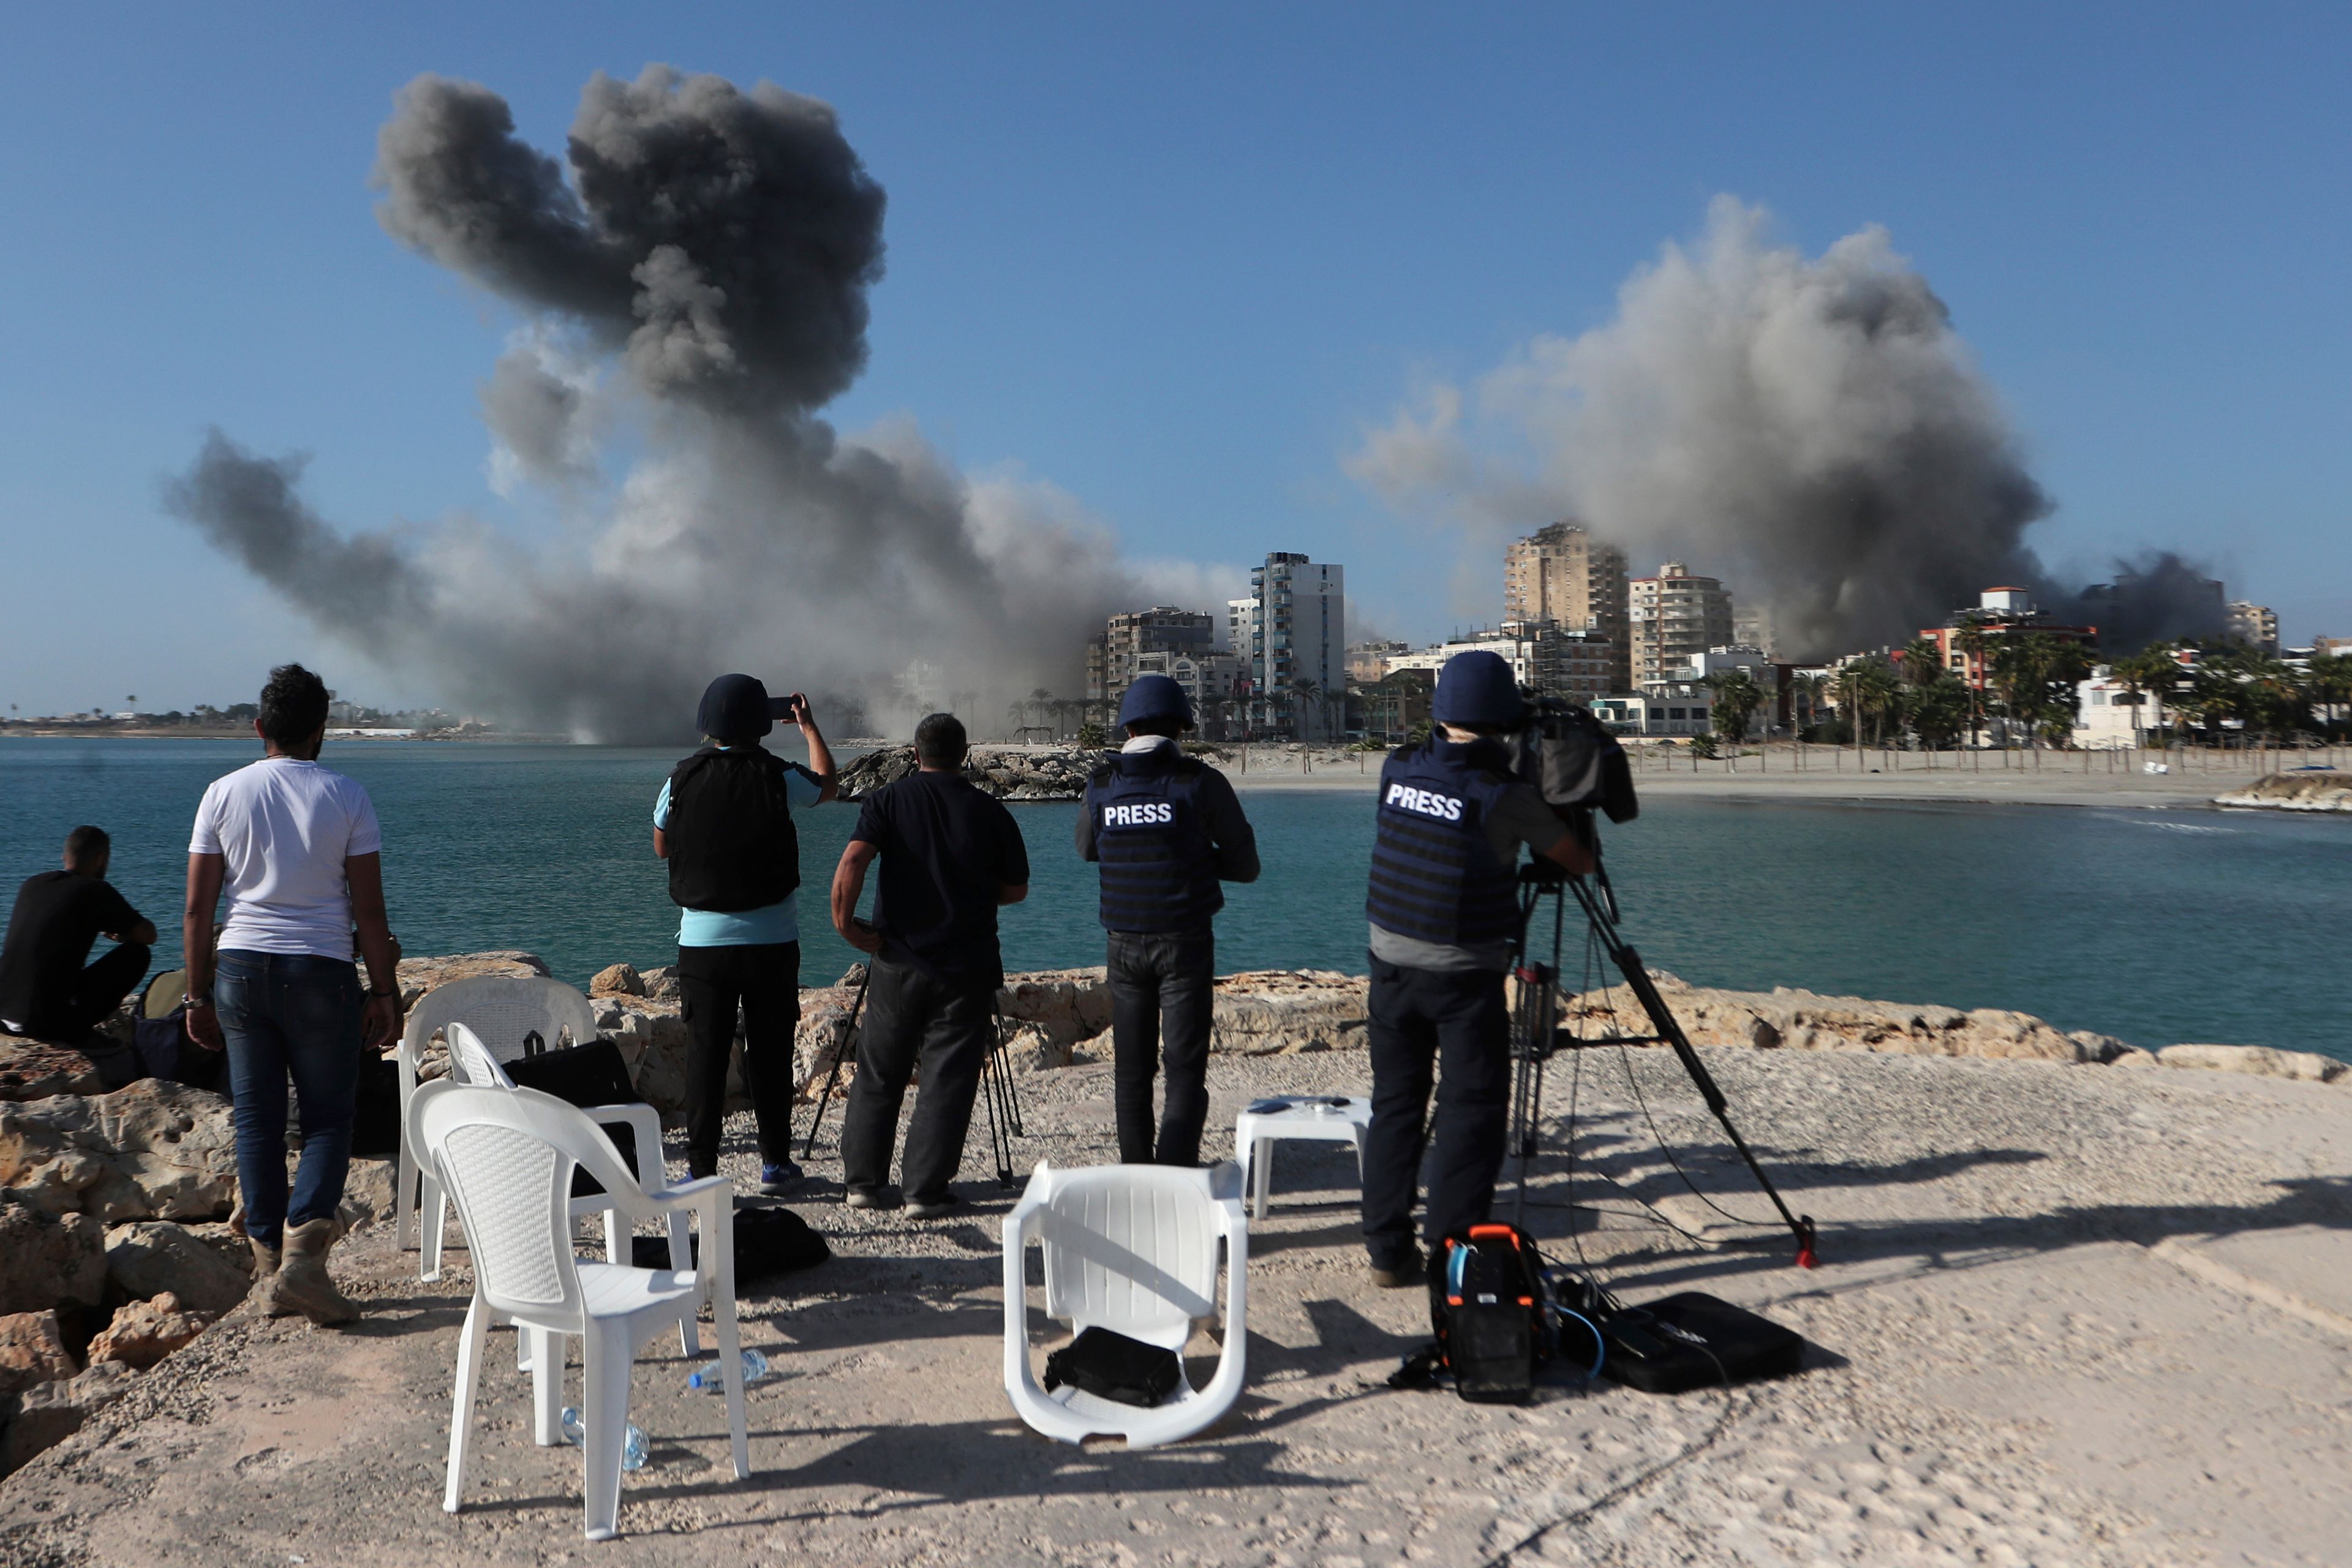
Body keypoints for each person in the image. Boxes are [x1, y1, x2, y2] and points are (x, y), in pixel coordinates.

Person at [1359, 650, 1593, 1288]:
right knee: (1472, 1106)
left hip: (1388, 966)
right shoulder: (1502, 796)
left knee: (1397, 1104)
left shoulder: (1396, 767)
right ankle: (1453, 1251)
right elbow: (1576, 860)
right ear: (1503, 721)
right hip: (1464, 978)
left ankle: (1386, 1251)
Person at [184, 664, 401, 1325]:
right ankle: (305, 1258)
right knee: (329, 1118)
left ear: (259, 729)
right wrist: (384, 991)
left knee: (257, 1119)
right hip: (320, 973)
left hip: (241, 971)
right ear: (321, 730)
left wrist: (196, 996)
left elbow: (197, 910)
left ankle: (270, 1269)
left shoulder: (221, 793)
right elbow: (368, 912)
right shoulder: (347, 795)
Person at [829, 713, 1029, 1218]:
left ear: (914, 755)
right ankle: (924, 1190)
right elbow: (1016, 890)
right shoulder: (989, 810)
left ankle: (862, 1184)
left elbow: (853, 861)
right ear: (965, 756)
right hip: (967, 966)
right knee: (948, 1080)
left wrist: (847, 927)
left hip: (897, 960)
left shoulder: (888, 800)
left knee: (878, 1073)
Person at [654, 674, 838, 1191]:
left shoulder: (680, 779)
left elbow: (661, 847)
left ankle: (700, 1169)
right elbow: (829, 785)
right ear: (762, 723)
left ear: (707, 724)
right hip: (772, 943)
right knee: (771, 1052)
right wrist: (808, 728)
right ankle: (776, 1163)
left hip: (702, 948)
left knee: (705, 1057)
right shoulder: (777, 775)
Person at [1076, 674, 1259, 1166]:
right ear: (1182, 726)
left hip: (1123, 944)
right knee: (1183, 1067)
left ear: (1127, 727)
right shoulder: (1199, 782)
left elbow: (1088, 850)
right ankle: (1177, 1170)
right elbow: (1247, 867)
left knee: (1131, 1070)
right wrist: (1193, 859)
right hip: (1184, 941)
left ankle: (1136, 1170)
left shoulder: (1100, 785)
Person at [0, 826, 158, 1049]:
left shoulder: (32, 884)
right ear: (100, 859)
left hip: (4, 1014)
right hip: (45, 1024)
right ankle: (78, 1031)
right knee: (138, 954)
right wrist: (125, 935)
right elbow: (149, 935)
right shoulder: (96, 890)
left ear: (65, 857)